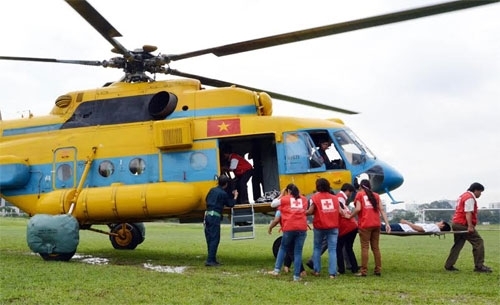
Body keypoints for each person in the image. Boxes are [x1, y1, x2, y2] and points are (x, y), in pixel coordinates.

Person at [444, 182, 492, 273]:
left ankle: (449, 265)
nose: (480, 194)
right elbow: (468, 212)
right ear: (476, 190)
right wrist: (470, 226)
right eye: (480, 192)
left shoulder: (462, 196)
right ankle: (479, 266)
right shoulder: (469, 198)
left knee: (458, 244)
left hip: (456, 223)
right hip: (463, 224)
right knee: (478, 242)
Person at [348, 179, 390, 277]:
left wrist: (350, 216)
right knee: (376, 248)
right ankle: (378, 269)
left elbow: (358, 209)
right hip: (376, 224)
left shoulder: (360, 195)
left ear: (361, 187)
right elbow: (382, 210)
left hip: (365, 224)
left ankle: (364, 271)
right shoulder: (376, 195)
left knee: (365, 248)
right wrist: (387, 223)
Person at [268, 184, 308, 281]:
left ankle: (276, 270)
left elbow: (272, 204)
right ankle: (296, 276)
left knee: (283, 248)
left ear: (288, 191)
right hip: (302, 227)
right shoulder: (304, 199)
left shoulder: (285, 199)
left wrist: (281, 194)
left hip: (289, 227)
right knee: (298, 252)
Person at [306, 178, 343, 279]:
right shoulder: (335, 198)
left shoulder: (315, 198)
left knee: (317, 248)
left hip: (319, 226)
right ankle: (332, 273)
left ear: (317, 186)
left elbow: (309, 211)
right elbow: (341, 212)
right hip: (333, 227)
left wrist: (299, 213)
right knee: (332, 250)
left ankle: (317, 271)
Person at [204, 175, 238, 266]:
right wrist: (235, 196)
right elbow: (230, 204)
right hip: (215, 217)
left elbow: (206, 199)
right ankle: (210, 260)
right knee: (215, 238)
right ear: (226, 184)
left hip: (207, 216)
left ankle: (211, 258)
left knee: (210, 238)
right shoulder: (223, 194)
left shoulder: (212, 190)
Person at [268, 210, 306, 276]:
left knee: (288, 249)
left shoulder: (281, 209)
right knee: (293, 250)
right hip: (301, 229)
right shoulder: (296, 207)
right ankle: (286, 267)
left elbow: (276, 220)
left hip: (289, 230)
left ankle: (301, 271)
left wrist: (270, 227)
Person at [336, 183, 359, 274]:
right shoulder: (341, 197)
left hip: (345, 227)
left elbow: (340, 210)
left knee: (338, 248)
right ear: (347, 190)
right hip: (353, 226)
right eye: (350, 192)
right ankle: (354, 267)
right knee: (349, 248)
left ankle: (341, 269)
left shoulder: (339, 197)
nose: (350, 195)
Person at [381, 219, 451, 233]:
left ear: (442, 226)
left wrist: (407, 222)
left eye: (440, 222)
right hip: (402, 227)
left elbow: (420, 229)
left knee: (381, 227)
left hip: (403, 228)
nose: (438, 222)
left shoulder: (434, 227)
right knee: (382, 226)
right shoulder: (435, 228)